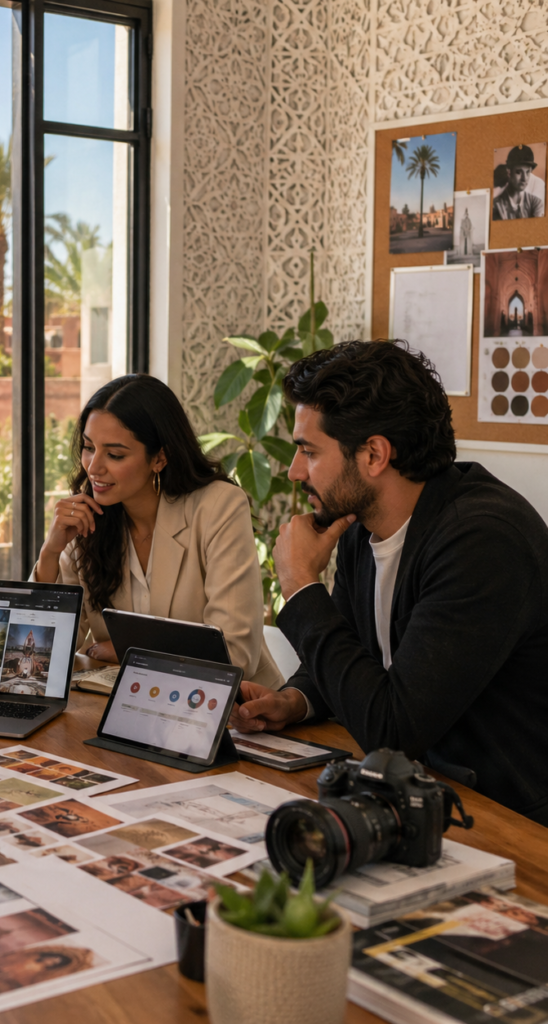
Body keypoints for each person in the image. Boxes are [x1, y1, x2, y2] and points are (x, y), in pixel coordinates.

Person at [235, 341, 548, 825]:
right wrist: (296, 700)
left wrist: (299, 584)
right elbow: (349, 648)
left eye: (308, 452)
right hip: (416, 798)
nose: (295, 472)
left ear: (374, 455)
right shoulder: (363, 526)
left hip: (510, 821)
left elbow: (393, 727)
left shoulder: (484, 541)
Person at [33, 374, 283, 689]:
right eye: (88, 447)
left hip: (239, 712)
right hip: (134, 704)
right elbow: (44, 650)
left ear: (159, 457)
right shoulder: (88, 519)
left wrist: (124, 651)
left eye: (115, 454)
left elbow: (232, 656)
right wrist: (50, 552)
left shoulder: (219, 506)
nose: (93, 467)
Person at [492, 145, 544, 220]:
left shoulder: (536, 203)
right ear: (509, 172)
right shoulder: (496, 205)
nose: (524, 178)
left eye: (528, 172)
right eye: (518, 172)